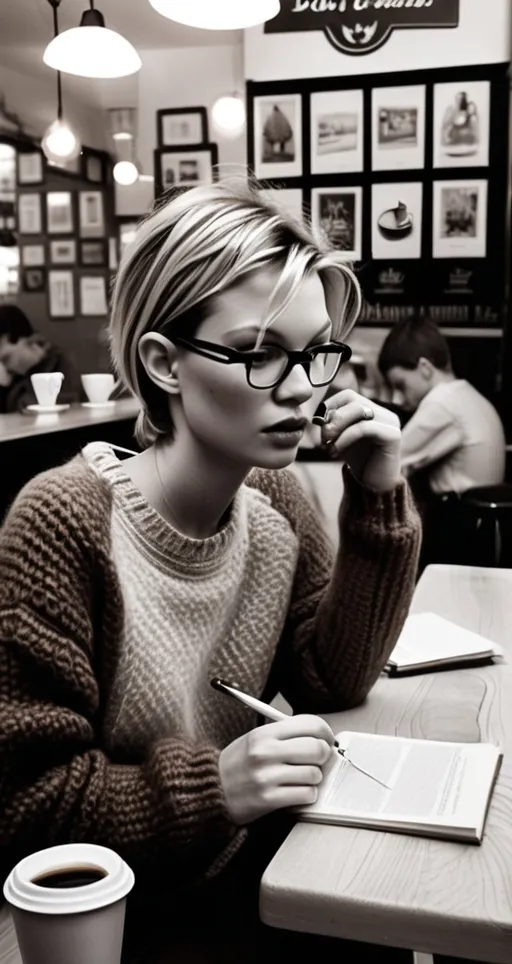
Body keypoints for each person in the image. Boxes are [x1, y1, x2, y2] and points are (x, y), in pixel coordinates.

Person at [0, 180, 421, 964]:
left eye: (315, 353)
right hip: (128, 908)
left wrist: (377, 501)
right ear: (163, 364)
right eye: (261, 352)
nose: (303, 388)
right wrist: (214, 787)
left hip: (243, 862)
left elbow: (333, 676)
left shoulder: (275, 502)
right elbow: (27, 808)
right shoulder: (62, 522)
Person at [378, 318, 505, 496]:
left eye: (401, 385)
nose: (397, 399)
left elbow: (388, 462)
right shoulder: (467, 395)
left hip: (455, 517)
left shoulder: (443, 402)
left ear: (425, 368)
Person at [0, 304, 75, 412]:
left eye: (6, 359)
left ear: (29, 342)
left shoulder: (60, 366)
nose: (6, 367)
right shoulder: (16, 377)